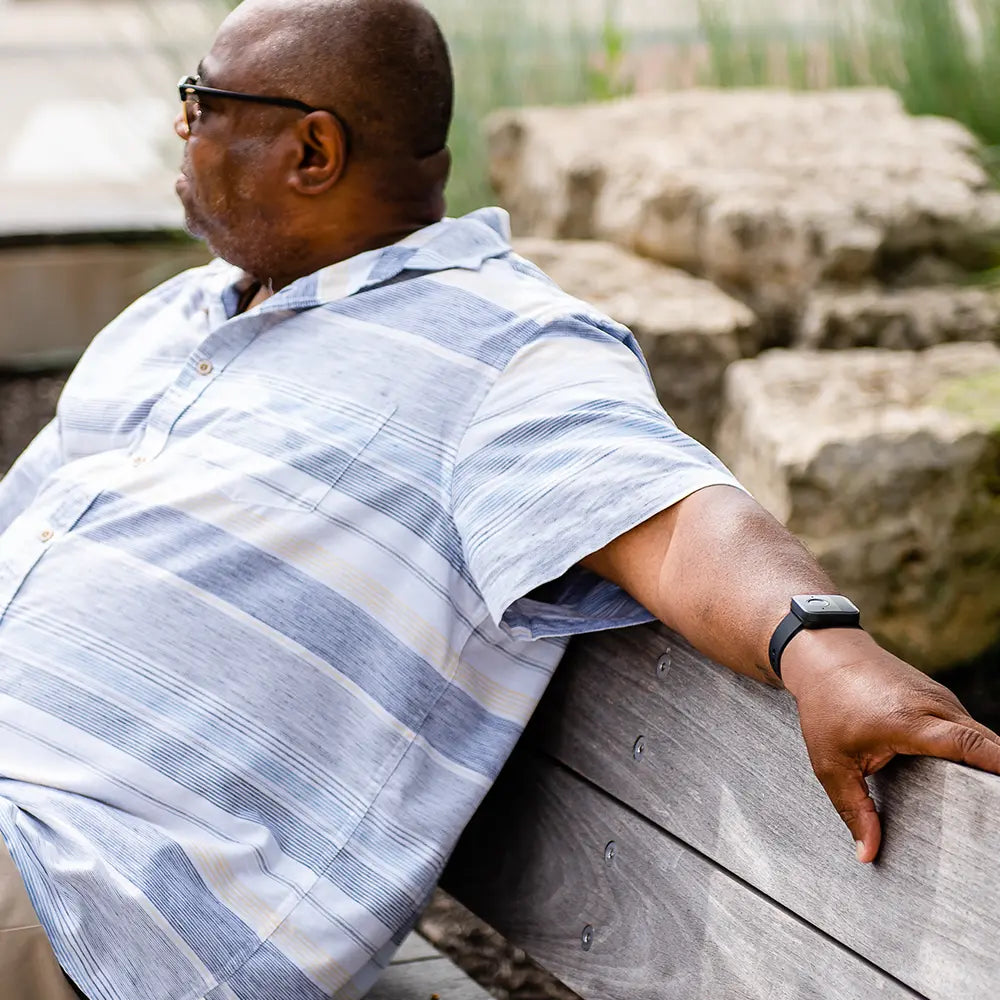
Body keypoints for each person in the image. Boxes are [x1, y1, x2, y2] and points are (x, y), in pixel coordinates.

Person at [0, 0, 997, 997]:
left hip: (86, 892)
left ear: (312, 150)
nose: (179, 129)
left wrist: (825, 647)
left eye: (200, 103)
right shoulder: (179, 314)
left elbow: (680, 515)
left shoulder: (503, 349)